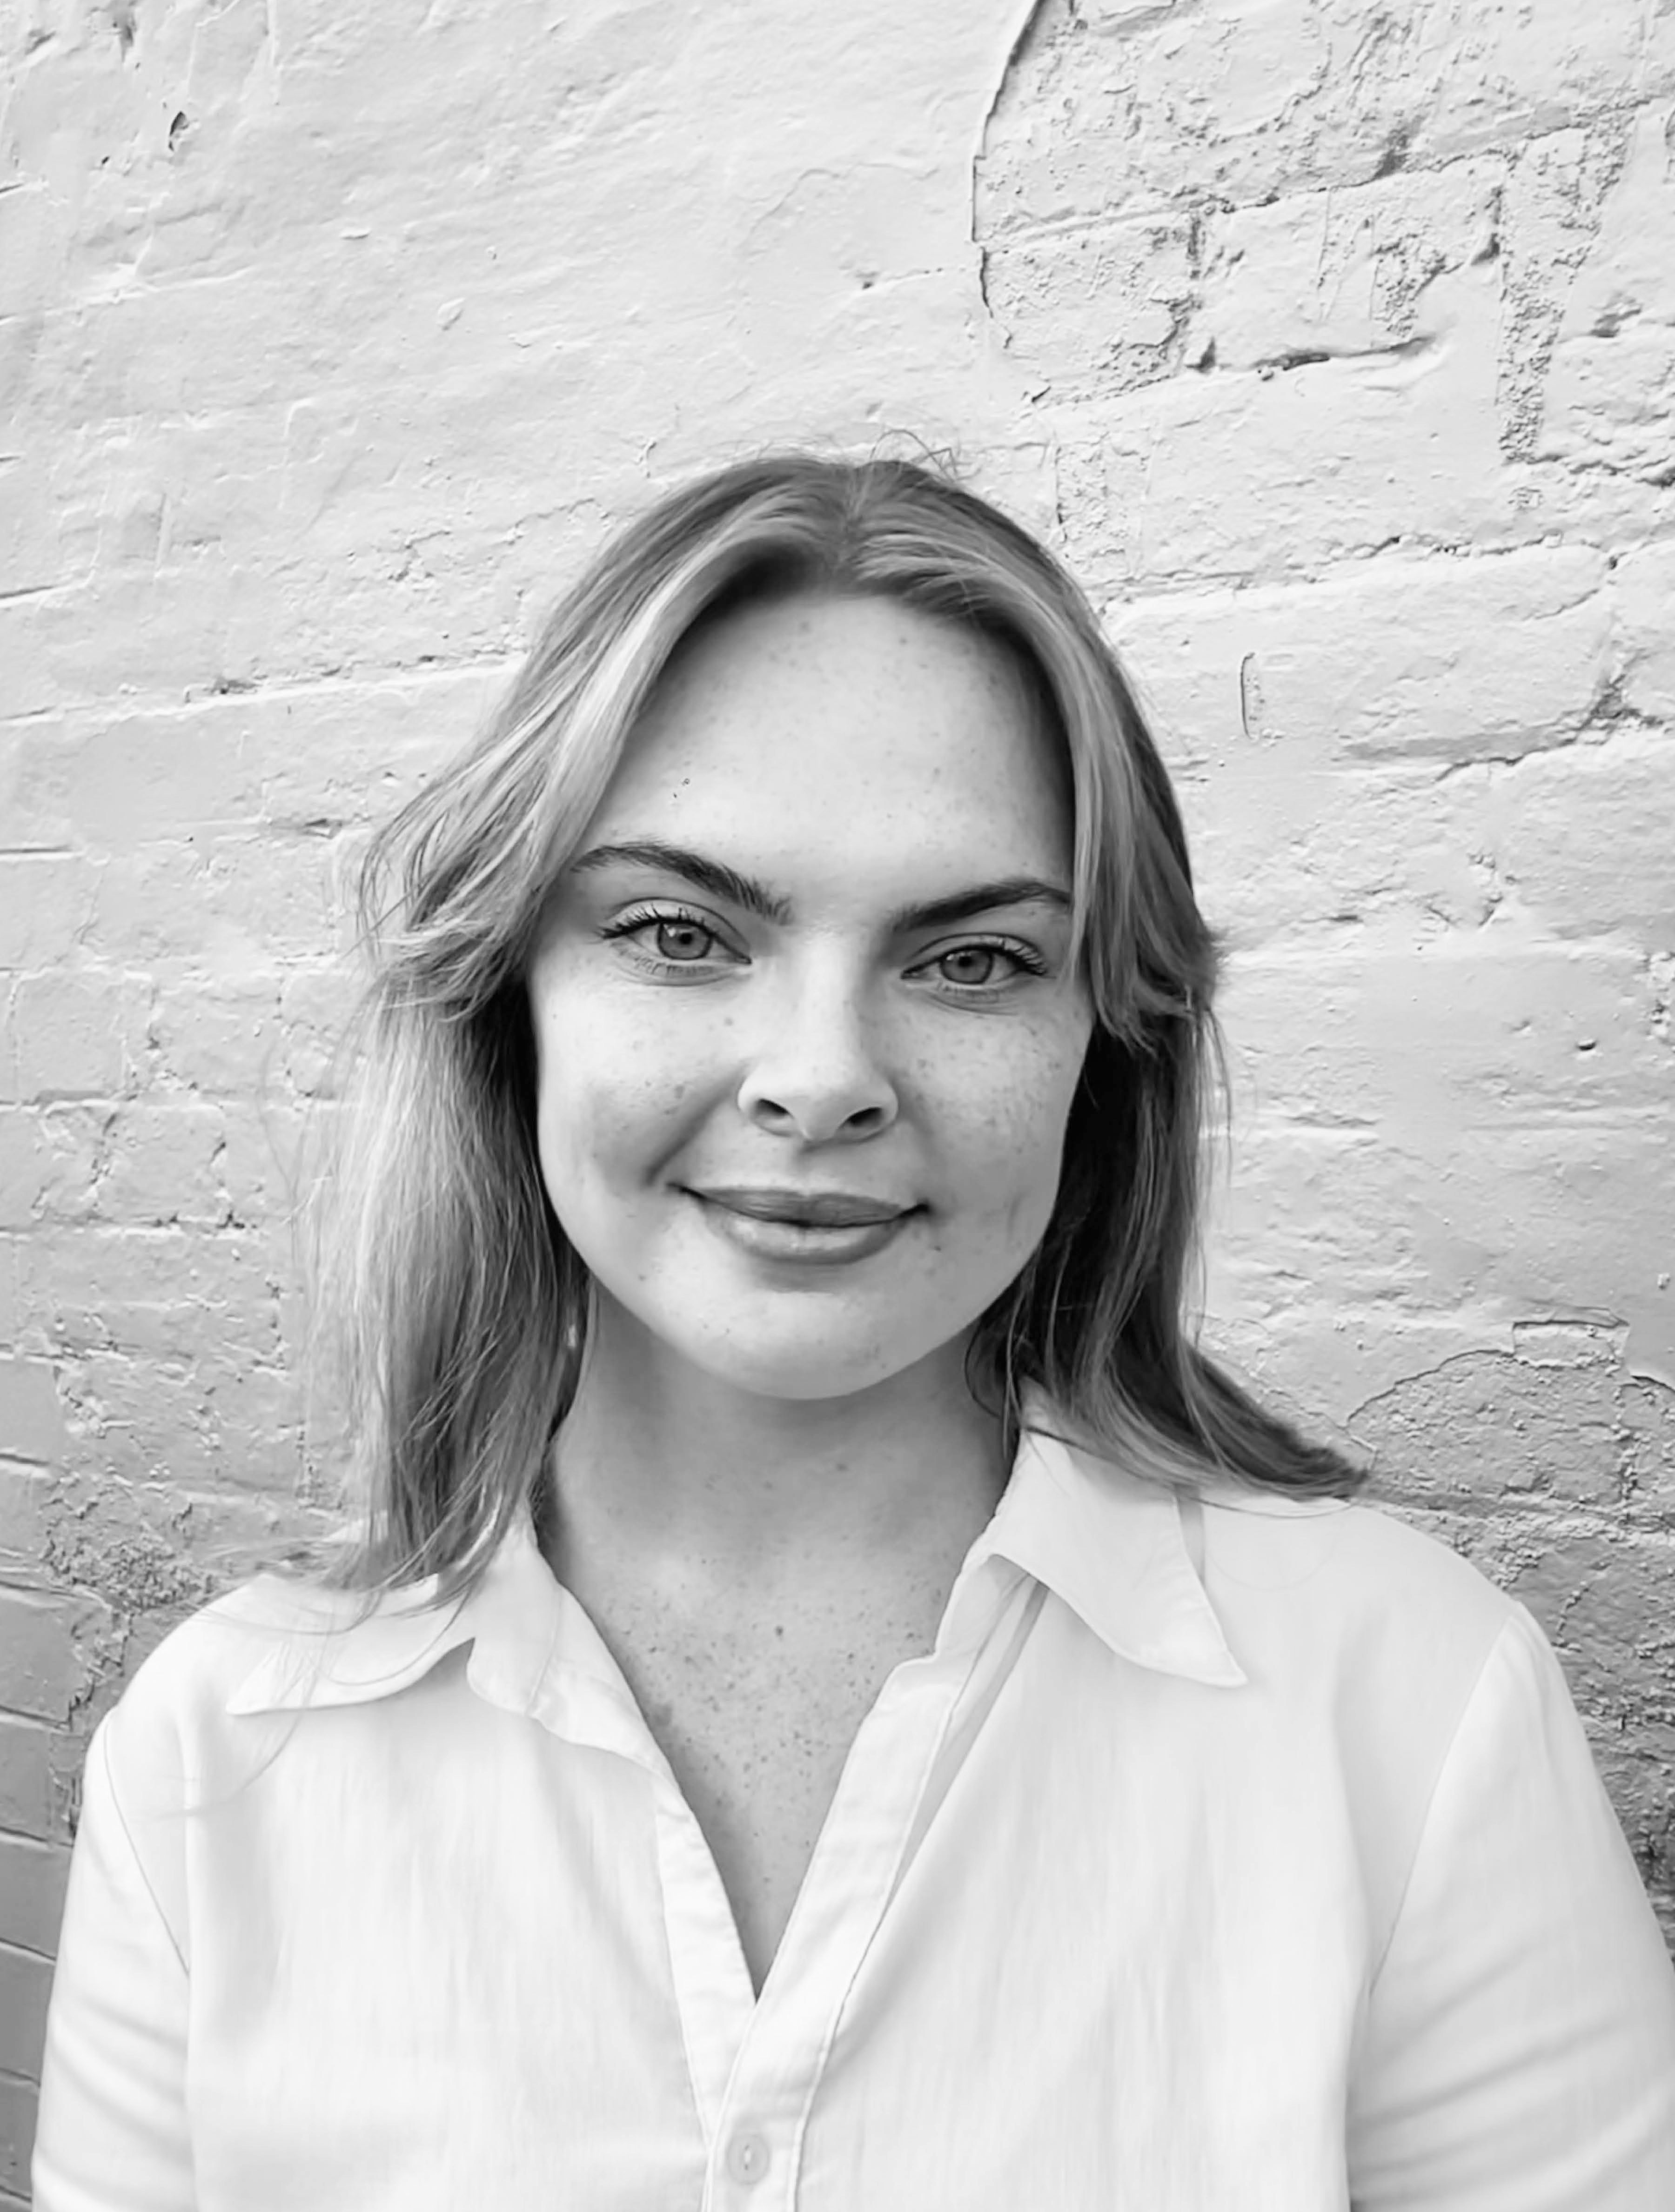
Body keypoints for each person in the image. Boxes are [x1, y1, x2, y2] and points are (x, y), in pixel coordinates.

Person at [33, 452, 1675, 2210]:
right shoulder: (219, 1753)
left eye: (971, 961)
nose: (822, 1079)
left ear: (1098, 1051)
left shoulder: (1410, 1709)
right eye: (680, 933)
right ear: (512, 1004)